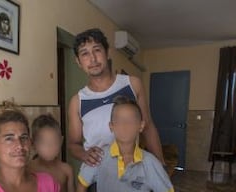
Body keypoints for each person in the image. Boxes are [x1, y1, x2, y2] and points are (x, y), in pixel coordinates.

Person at [68, 28, 165, 167]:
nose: (93, 59)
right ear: (78, 62)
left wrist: (160, 165)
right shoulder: (77, 101)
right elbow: (73, 144)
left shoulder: (132, 84)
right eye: (85, 54)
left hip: (132, 169)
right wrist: (84, 154)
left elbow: (147, 126)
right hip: (96, 175)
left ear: (107, 53)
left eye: (97, 50)